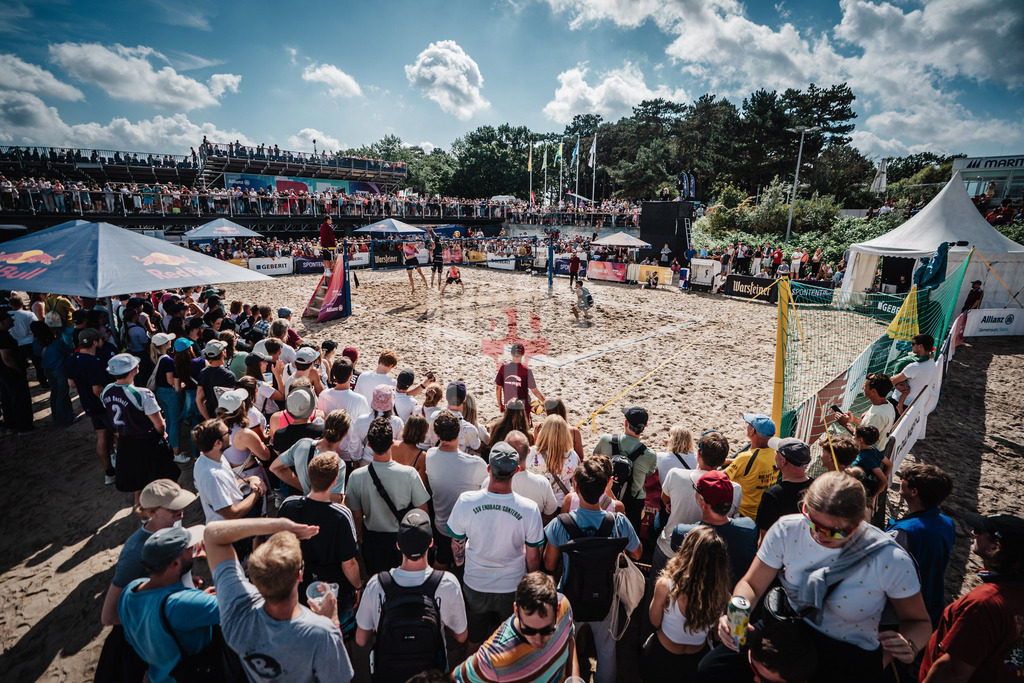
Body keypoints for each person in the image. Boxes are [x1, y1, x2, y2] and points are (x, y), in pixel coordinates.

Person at [706, 471, 930, 682]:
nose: (818, 535)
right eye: (812, 521)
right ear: (804, 506)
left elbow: (919, 622)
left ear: (860, 521)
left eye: (835, 531)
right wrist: (737, 613)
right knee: (711, 670)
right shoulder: (788, 528)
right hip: (791, 629)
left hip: (848, 649)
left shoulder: (890, 559)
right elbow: (752, 584)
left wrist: (908, 645)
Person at [203, 517, 355, 682]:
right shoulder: (322, 633)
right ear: (300, 574)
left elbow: (211, 534)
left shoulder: (237, 611)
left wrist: (278, 525)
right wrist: (333, 621)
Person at [543, 455, 641, 683]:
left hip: (570, 595)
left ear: (575, 487)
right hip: (605, 596)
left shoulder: (562, 523)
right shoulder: (618, 522)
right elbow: (637, 552)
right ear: (605, 486)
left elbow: (549, 564)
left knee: (568, 647)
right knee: (606, 651)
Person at [447, 444, 544, 652]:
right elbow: (534, 558)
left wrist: (463, 566)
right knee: (511, 640)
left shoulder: (466, 501)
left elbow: (457, 544)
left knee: (474, 639)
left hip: (475, 582)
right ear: (516, 471)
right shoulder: (529, 508)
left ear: (489, 469)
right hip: (512, 584)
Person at [355, 509, 468, 681]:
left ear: (398, 545)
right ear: (431, 543)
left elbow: (361, 640)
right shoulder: (448, 583)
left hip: (388, 674)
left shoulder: (376, 584)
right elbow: (461, 636)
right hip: (430, 674)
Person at [919, 512, 1024, 682]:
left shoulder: (984, 603)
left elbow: (953, 672)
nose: (973, 533)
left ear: (994, 547)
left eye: (978, 530)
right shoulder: (1014, 594)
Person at [117, 525, 222, 683]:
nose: (194, 549)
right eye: (189, 548)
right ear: (174, 564)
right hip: (196, 673)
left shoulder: (131, 589)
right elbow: (238, 605)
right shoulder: (181, 603)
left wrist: (196, 598)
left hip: (160, 675)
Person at [278, 452, 360, 634]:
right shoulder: (341, 515)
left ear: (308, 475)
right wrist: (358, 586)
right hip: (333, 590)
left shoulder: (288, 505)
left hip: (298, 587)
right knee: (339, 634)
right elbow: (349, 564)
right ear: (335, 480)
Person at [643, 525, 731, 683]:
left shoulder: (665, 585)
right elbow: (717, 635)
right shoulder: (723, 595)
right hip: (697, 661)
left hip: (661, 657)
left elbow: (655, 621)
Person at [454, 571, 578, 682]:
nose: (539, 640)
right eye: (529, 630)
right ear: (516, 611)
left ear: (557, 610)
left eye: (547, 630)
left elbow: (569, 638)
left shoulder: (564, 607)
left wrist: (575, 678)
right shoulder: (494, 657)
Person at [345, 416, 430, 575]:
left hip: (373, 539)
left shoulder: (356, 477)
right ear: (392, 442)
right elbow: (422, 511)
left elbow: (356, 517)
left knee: (377, 580)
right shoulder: (409, 474)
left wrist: (360, 539)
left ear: (369, 445)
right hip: (402, 537)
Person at [886, 464, 955, 627]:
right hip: (932, 601)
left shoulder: (902, 533)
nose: (900, 480)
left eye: (903, 479)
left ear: (914, 492)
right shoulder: (948, 523)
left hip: (904, 610)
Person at [102, 353, 175, 504]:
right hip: (145, 442)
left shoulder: (107, 390)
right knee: (159, 481)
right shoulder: (142, 394)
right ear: (133, 370)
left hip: (125, 442)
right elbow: (159, 424)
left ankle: (143, 516)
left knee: (139, 484)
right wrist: (162, 435)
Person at [424, 410, 489, 569]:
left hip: (441, 525)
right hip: (468, 529)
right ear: (460, 430)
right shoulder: (477, 464)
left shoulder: (430, 456)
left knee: (442, 559)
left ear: (437, 435)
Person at [670, 470, 757, 586]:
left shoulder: (682, 533)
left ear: (703, 503)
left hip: (700, 596)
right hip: (735, 596)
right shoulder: (749, 527)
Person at [592, 406, 658, 532]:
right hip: (633, 502)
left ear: (626, 422)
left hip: (606, 497)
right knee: (630, 536)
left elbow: (594, 459)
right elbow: (649, 473)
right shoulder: (649, 455)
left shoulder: (606, 440)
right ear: (645, 426)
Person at [191, 418, 265, 525]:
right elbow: (231, 515)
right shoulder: (212, 476)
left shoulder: (211, 457)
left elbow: (228, 483)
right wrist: (256, 493)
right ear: (218, 443)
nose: (231, 433)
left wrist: (250, 479)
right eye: (228, 432)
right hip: (233, 532)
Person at [270, 408, 350, 501]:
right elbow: (334, 501)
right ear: (346, 432)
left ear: (325, 424)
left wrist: (302, 487)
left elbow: (274, 467)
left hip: (302, 504)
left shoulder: (302, 444)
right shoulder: (338, 464)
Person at [755, 437, 814, 543]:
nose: (774, 455)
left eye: (777, 453)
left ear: (783, 462)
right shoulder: (818, 486)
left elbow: (765, 538)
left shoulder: (772, 495)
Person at [724, 413, 778, 520]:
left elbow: (722, 477)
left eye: (748, 424)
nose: (746, 426)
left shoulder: (745, 458)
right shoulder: (776, 453)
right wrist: (728, 461)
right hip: (763, 510)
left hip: (743, 512)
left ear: (752, 431)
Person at [527, 414, 581, 507]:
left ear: (543, 432)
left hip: (536, 503)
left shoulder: (530, 453)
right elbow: (578, 488)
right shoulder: (572, 456)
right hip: (561, 505)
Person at [0, 305, 33, 433]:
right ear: (1, 322)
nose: (12, 321)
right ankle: (24, 426)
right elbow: (6, 357)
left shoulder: (4, 335)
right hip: (11, 373)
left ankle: (11, 425)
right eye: (9, 319)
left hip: (5, 373)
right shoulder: (3, 337)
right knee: (19, 398)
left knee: (7, 398)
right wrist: (18, 370)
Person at [836, 372, 896, 442]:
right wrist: (853, 419)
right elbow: (869, 426)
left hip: (870, 451)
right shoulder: (887, 405)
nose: (863, 388)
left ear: (873, 391)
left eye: (865, 386)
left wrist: (845, 424)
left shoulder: (879, 415)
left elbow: (863, 439)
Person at [495, 343, 545, 422]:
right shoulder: (527, 371)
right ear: (523, 354)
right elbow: (535, 391)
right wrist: (544, 402)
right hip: (524, 408)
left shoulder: (504, 368)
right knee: (524, 431)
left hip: (509, 407)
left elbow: (498, 388)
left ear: (511, 353)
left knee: (510, 430)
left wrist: (500, 404)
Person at [890, 334, 938, 414]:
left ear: (920, 346)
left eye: (913, 344)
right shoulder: (931, 361)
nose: (911, 346)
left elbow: (891, 381)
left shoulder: (915, 366)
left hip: (899, 404)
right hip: (914, 405)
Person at [195, 339, 235, 420]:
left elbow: (199, 399)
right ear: (223, 353)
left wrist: (208, 419)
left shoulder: (203, 373)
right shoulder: (228, 375)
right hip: (227, 419)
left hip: (213, 417)